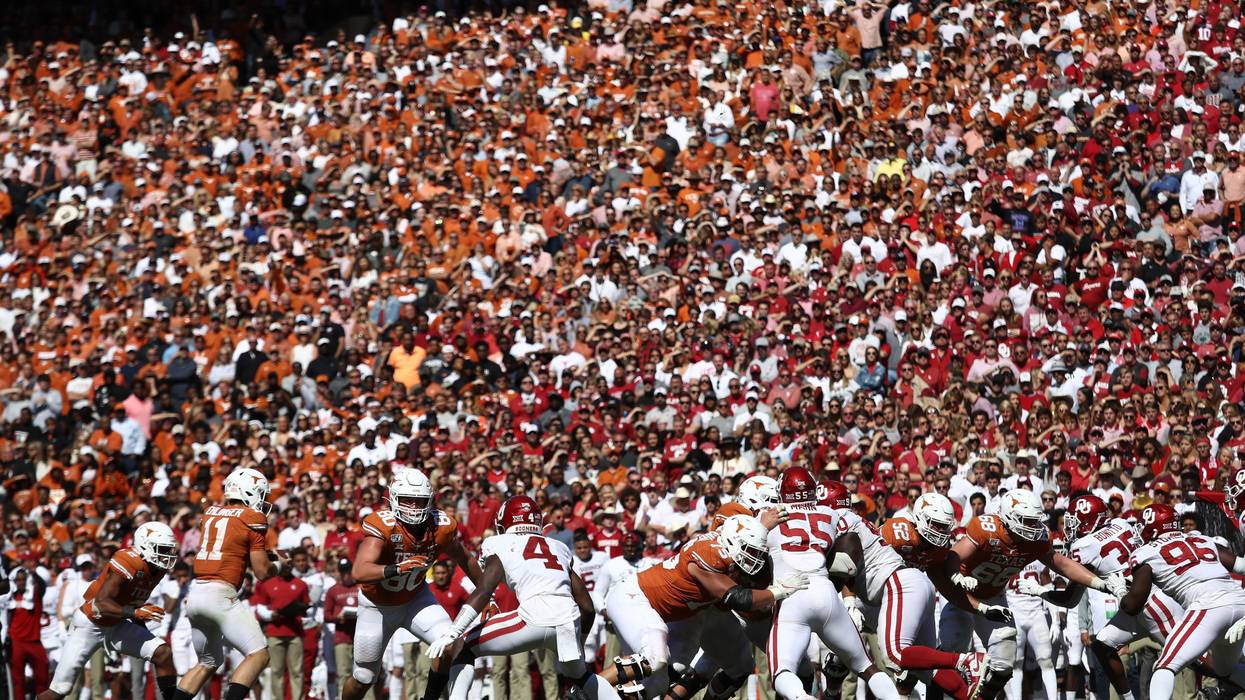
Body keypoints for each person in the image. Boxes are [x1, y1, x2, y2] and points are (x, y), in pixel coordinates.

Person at [941, 489, 1127, 700]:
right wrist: (957, 576)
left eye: (1034, 520)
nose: (1033, 527)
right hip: (962, 594)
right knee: (949, 654)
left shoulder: (1035, 539)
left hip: (994, 597)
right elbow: (953, 556)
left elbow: (1063, 565)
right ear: (1009, 517)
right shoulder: (986, 529)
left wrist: (1101, 584)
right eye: (1027, 521)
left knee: (1003, 665)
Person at [427, 495, 617, 700]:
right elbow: (587, 606)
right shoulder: (558, 547)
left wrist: (454, 631)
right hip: (568, 621)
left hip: (532, 618)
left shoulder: (497, 542)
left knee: (462, 646)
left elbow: (484, 589)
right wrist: (577, 641)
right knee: (581, 676)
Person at [604, 513, 806, 699]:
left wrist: (761, 527)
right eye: (747, 549)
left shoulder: (728, 539)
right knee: (656, 656)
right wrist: (778, 591)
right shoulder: (709, 556)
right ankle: (588, 686)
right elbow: (738, 598)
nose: (752, 556)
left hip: (670, 612)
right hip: (634, 597)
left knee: (658, 683)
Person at [1013, 494, 1183, 700]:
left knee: (1191, 657)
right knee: (1102, 646)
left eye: (1074, 523)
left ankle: (1231, 678)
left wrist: (1040, 591)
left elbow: (1070, 599)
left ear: (1089, 522)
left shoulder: (1084, 546)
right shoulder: (1121, 523)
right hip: (1138, 599)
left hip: (1152, 603)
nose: (1070, 528)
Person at [344, 468, 482, 700]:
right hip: (377, 606)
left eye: (420, 501)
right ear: (393, 499)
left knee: (451, 645)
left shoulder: (440, 526)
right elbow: (359, 570)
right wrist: (397, 568)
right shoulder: (384, 525)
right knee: (364, 676)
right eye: (408, 501)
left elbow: (465, 558)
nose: (415, 508)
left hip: (415, 599)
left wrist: (487, 593)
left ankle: (430, 697)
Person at [766, 467, 901, 700]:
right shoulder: (830, 514)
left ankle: (802, 697)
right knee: (866, 667)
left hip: (791, 596)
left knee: (782, 672)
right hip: (825, 591)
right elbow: (851, 541)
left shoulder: (767, 515)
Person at [174, 467, 283, 700]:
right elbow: (262, 572)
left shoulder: (210, 512)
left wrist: (264, 554)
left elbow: (230, 546)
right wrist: (281, 566)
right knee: (259, 654)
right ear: (249, 492)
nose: (263, 503)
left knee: (208, 661)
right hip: (220, 595)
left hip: (195, 593)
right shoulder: (253, 517)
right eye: (261, 495)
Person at [40, 523, 179, 700]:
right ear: (145, 545)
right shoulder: (128, 560)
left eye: (169, 550)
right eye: (163, 549)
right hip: (90, 623)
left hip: (116, 623)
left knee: (162, 653)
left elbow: (133, 602)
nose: (167, 555)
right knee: (60, 690)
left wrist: (141, 630)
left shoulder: (157, 569)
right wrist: (136, 613)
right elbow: (101, 604)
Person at [1123, 503, 1245, 700]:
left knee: (1165, 665)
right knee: (1224, 670)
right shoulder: (1201, 538)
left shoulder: (1145, 552)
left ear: (1153, 528)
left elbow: (1134, 603)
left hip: (1208, 606)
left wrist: (1120, 591)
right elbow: (1240, 565)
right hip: (1240, 601)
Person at [877, 491, 988, 700]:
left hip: (902, 595)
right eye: (935, 524)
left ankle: (965, 660)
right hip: (899, 595)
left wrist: (980, 607)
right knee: (928, 668)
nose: (940, 531)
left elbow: (946, 588)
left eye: (944, 526)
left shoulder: (937, 549)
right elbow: (864, 560)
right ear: (919, 517)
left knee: (895, 656)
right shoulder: (899, 530)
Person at [254, 547, 311, 700]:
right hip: (275, 632)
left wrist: (301, 611)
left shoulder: (301, 584)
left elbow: (308, 608)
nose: (287, 566)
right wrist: (272, 615)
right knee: (277, 671)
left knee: (297, 671)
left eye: (288, 563)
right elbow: (260, 608)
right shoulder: (268, 583)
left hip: (295, 632)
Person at [323, 559, 367, 700]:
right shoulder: (333, 591)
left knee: (365, 673)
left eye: (348, 571)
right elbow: (326, 615)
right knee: (344, 672)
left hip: (361, 637)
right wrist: (338, 617)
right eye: (343, 572)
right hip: (342, 637)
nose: (346, 575)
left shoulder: (361, 588)